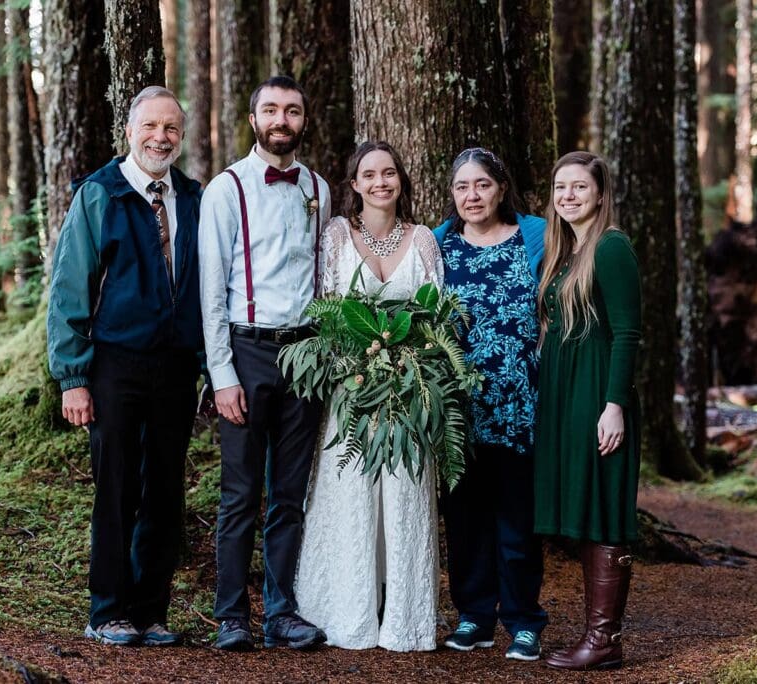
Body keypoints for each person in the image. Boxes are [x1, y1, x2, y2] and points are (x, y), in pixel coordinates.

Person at [46, 86, 202, 647]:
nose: (161, 137)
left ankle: (149, 610)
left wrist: (210, 364)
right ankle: (107, 609)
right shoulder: (99, 195)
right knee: (116, 486)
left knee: (165, 488)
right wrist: (73, 376)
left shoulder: (194, 196)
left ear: (181, 137)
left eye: (172, 129)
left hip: (177, 367)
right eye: (151, 126)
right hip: (114, 363)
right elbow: (69, 289)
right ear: (130, 131)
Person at [294, 141, 444, 652]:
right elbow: (323, 311)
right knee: (351, 493)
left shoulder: (423, 239)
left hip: (409, 391)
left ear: (401, 179)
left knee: (405, 495)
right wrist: (355, 364)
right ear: (354, 184)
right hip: (352, 391)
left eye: (389, 173)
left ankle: (406, 618)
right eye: (369, 175)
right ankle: (347, 611)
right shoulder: (337, 234)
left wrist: (411, 364)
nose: (381, 182)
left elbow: (436, 318)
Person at [199, 75, 331, 651]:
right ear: (254, 120)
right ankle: (231, 614)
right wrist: (222, 375)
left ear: (304, 121)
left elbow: (324, 278)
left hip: (305, 352)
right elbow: (210, 293)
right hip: (247, 350)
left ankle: (280, 611)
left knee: (290, 491)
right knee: (240, 491)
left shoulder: (321, 190)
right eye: (272, 110)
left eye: (293, 111)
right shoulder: (225, 189)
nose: (283, 119)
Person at [433, 147, 549, 661]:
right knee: (464, 518)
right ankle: (474, 616)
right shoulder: (440, 244)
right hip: (458, 408)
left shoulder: (536, 236)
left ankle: (524, 620)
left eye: (481, 185)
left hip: (519, 402)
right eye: (462, 187)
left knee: (517, 518)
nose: (472, 196)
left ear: (501, 187)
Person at [534, 151, 642, 670]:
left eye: (579, 187)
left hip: (598, 392)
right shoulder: (564, 252)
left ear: (600, 194)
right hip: (566, 394)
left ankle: (603, 641)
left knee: (605, 505)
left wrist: (614, 404)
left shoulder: (612, 248)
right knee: (585, 505)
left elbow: (627, 333)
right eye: (561, 188)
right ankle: (598, 636)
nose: (569, 196)